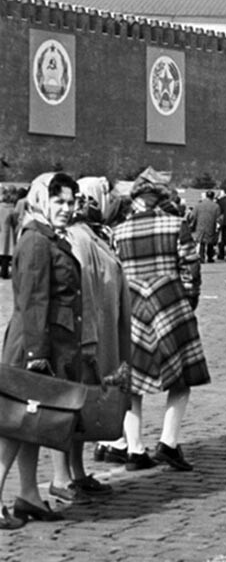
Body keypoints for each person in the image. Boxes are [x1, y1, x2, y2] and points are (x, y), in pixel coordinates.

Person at [110, 170, 211, 472]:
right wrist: (188, 300)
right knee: (181, 378)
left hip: (132, 305)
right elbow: (190, 267)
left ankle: (135, 448)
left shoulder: (119, 231)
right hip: (169, 303)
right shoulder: (175, 224)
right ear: (161, 197)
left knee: (132, 382)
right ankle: (168, 442)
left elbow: (114, 274)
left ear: (135, 197)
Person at [0, 172, 83, 527]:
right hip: (34, 346)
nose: (66, 208)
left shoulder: (50, 237)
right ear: (41, 200)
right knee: (15, 425)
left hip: (49, 343)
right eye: (59, 201)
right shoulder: (36, 240)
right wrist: (37, 355)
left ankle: (29, 495)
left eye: (71, 202)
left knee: (33, 423)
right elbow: (33, 301)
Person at [48, 177, 131, 504]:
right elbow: (79, 292)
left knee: (84, 406)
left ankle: (78, 471)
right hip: (85, 337)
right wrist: (89, 340)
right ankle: (60, 476)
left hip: (103, 330)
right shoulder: (78, 239)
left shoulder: (95, 236)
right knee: (68, 404)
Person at [193, 191, 221, 264]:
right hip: (211, 225)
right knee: (210, 242)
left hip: (200, 225)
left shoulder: (198, 205)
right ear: (213, 197)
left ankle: (201, 257)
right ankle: (210, 257)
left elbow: (193, 215)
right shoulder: (216, 206)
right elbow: (218, 218)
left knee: (201, 241)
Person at [0, 187, 19, 280]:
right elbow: (15, 222)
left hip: (0, 232)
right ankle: (4, 273)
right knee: (6, 254)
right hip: (8, 234)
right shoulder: (12, 210)